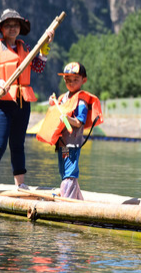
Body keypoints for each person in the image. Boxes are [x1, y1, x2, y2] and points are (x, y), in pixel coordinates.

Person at [0, 9, 54, 192]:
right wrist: (0, 82)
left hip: (21, 103)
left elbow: (37, 67)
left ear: (20, 28)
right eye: (8, 25)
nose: (12, 28)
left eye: (15, 25)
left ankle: (20, 184)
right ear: (2, 29)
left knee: (18, 144)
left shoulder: (26, 48)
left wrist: (45, 47)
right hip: (1, 103)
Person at [36, 62, 103, 200]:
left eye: (75, 80)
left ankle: (69, 202)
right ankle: (78, 200)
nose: (71, 83)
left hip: (72, 145)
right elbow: (58, 109)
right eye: (68, 80)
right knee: (64, 172)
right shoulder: (63, 98)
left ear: (83, 80)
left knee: (70, 174)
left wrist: (67, 118)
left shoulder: (81, 101)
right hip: (62, 144)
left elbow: (79, 122)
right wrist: (53, 102)